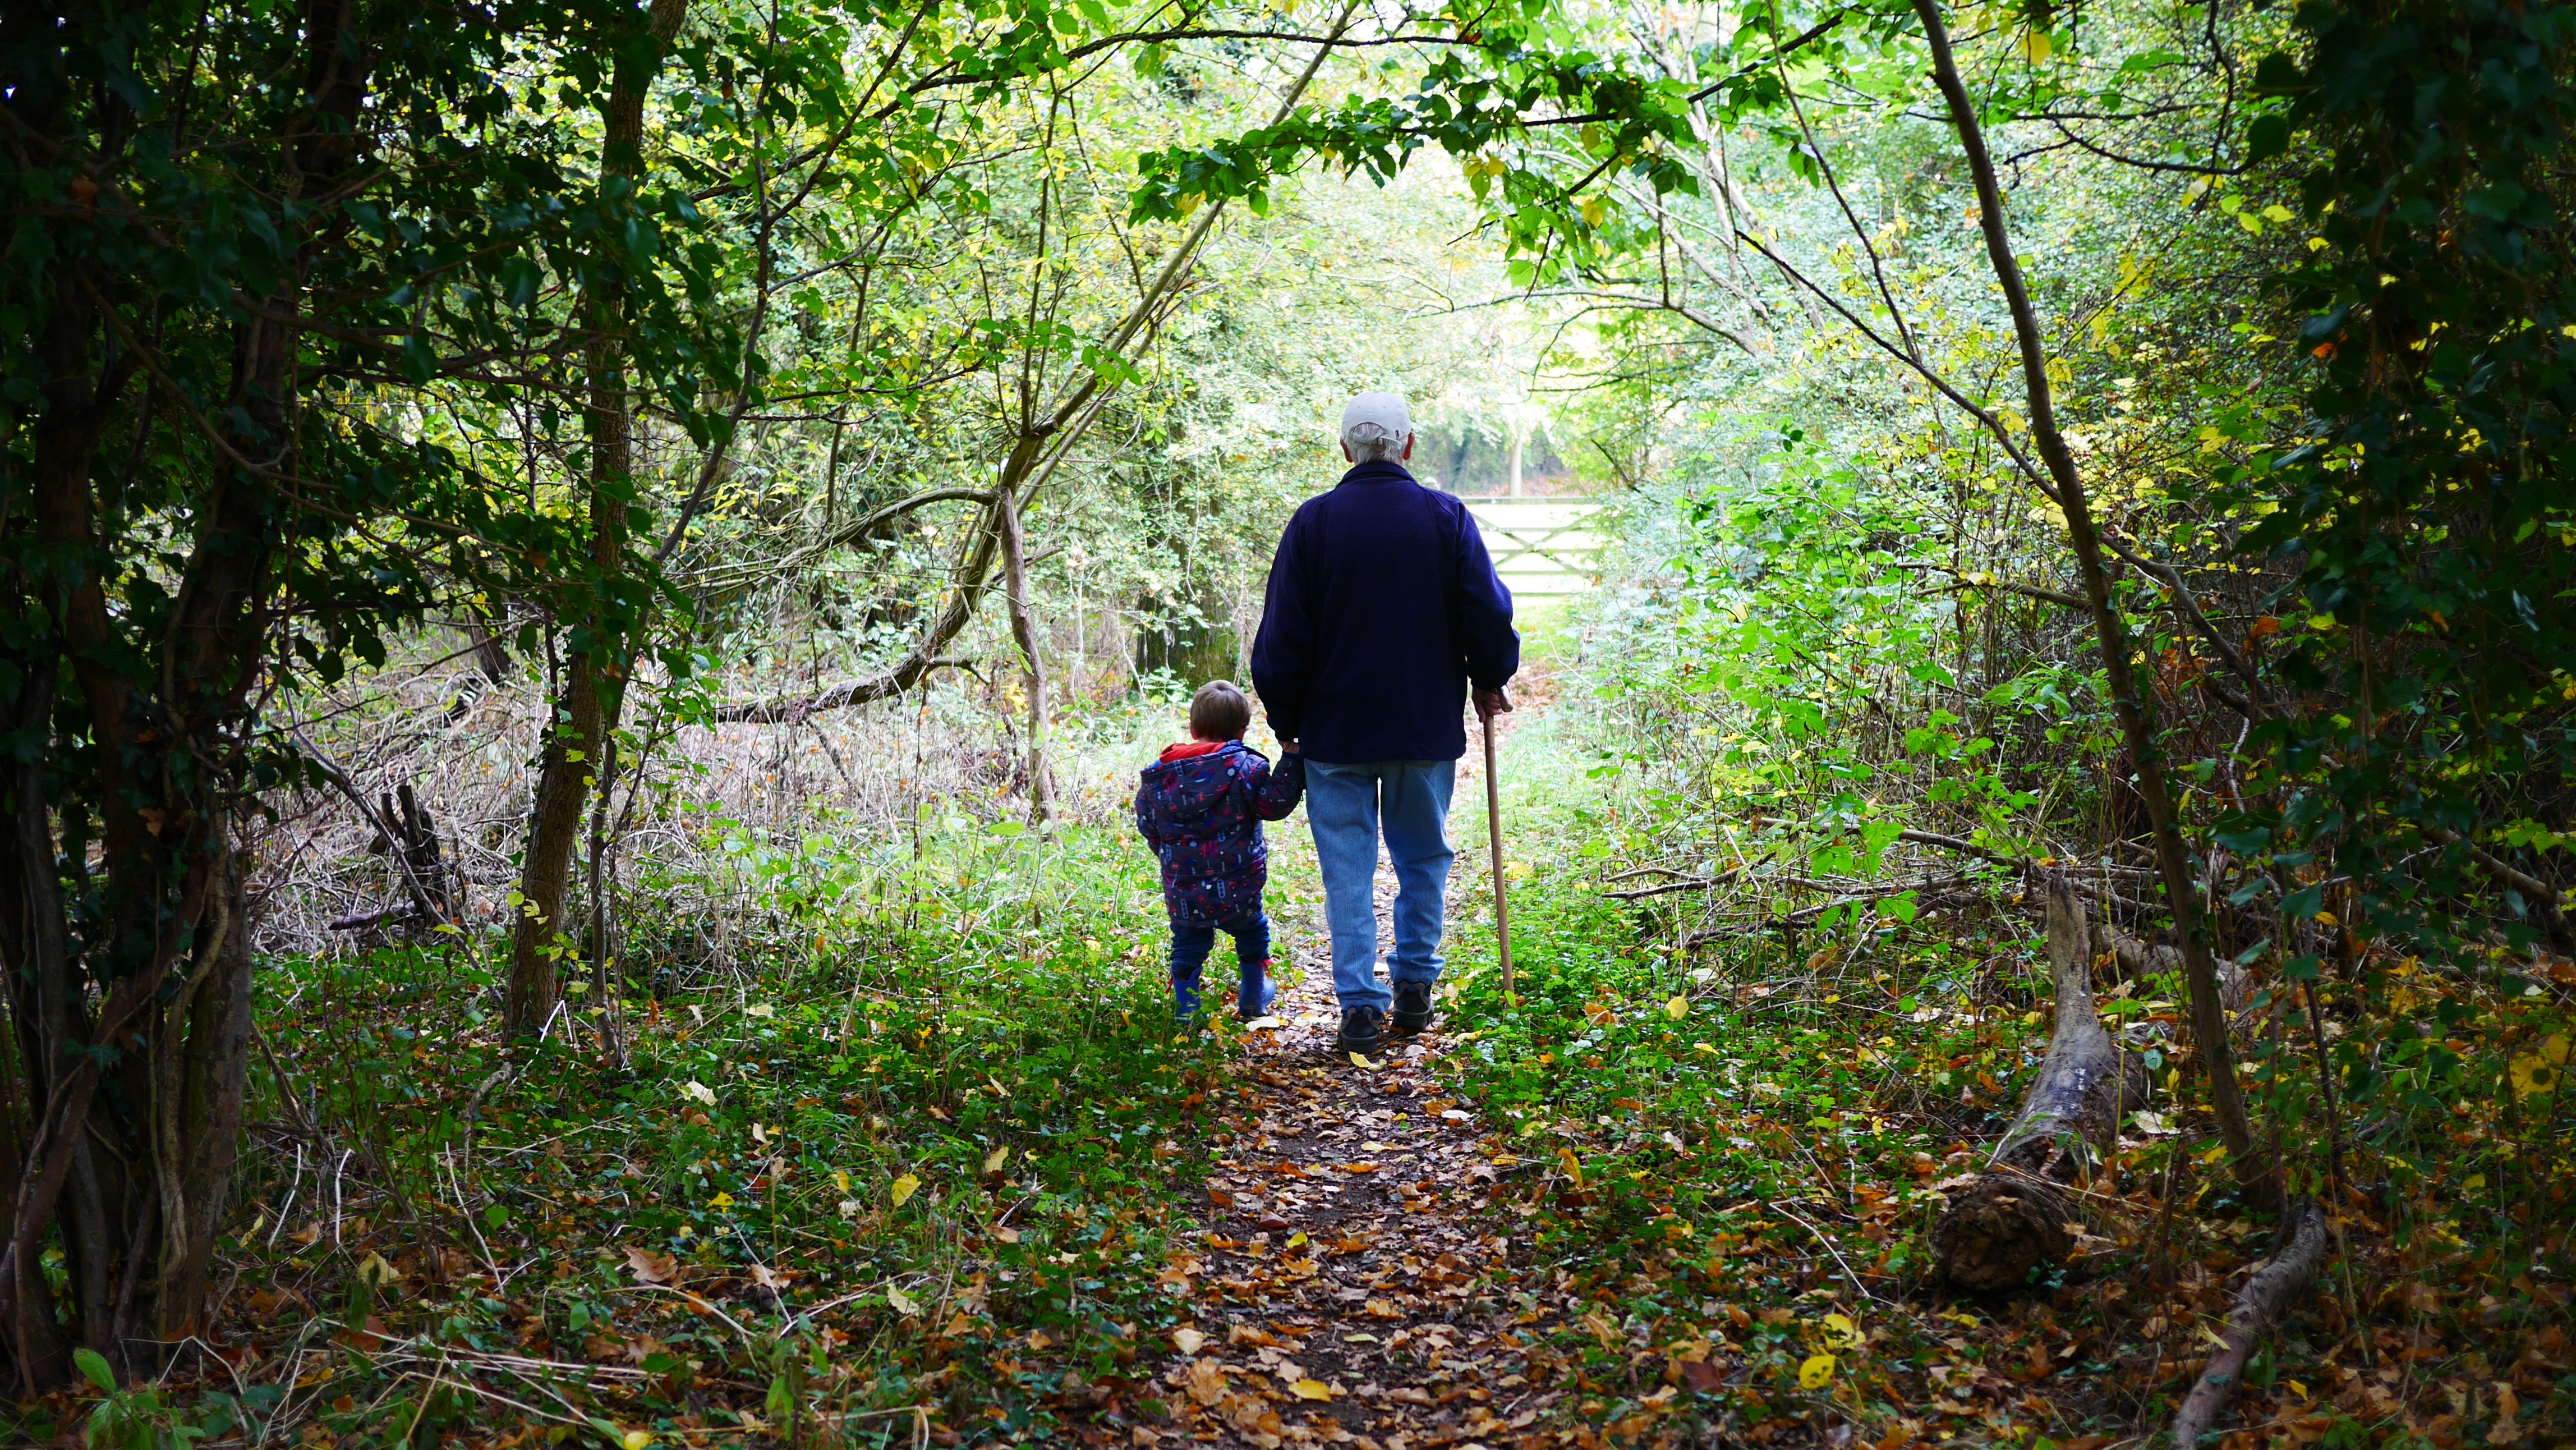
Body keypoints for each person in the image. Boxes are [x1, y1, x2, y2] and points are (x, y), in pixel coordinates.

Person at [1250, 392, 1518, 1054]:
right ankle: (1415, 987)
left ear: (1345, 450)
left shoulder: (1312, 524)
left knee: (1347, 869)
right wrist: (1489, 676)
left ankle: (1360, 1009)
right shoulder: (1445, 517)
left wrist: (1286, 721)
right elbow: (1484, 612)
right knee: (1422, 857)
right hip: (1420, 729)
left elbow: (1281, 637)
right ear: (1408, 445)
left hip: (1331, 734)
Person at [1133, 680, 1307, 1020]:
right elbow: (1273, 806)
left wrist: (1171, 858)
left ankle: (1187, 1013)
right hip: (1239, 884)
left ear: (1193, 728)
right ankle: (1254, 997)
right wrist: (1291, 759)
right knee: (1252, 930)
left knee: (1187, 942)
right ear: (1242, 733)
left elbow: (1147, 823)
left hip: (1184, 888)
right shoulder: (1247, 769)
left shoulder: (1161, 777)